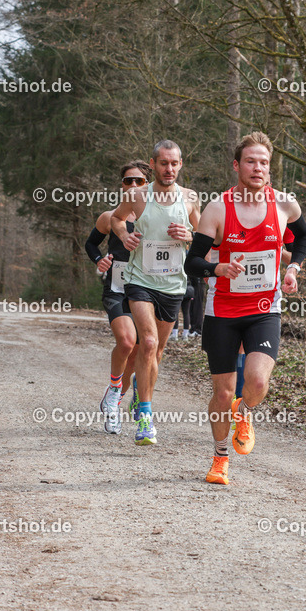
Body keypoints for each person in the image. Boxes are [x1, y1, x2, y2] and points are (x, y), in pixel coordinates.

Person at [185, 131, 306, 485]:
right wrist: (217, 268)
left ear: (270, 169)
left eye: (265, 163)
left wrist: (293, 268)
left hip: (264, 307)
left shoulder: (285, 205)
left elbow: (303, 237)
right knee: (222, 392)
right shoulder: (218, 208)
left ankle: (246, 411)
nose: (258, 168)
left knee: (255, 381)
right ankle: (220, 458)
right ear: (237, 165)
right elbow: (192, 263)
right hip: (222, 310)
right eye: (251, 161)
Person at [112, 140, 200, 445]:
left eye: (175, 163)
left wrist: (188, 235)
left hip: (173, 284)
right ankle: (146, 418)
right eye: (164, 163)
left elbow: (203, 240)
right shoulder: (137, 196)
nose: (170, 169)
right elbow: (115, 218)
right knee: (147, 342)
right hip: (140, 280)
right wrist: (124, 235)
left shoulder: (189, 198)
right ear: (153, 164)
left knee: (157, 353)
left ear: (180, 165)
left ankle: (139, 393)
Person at [86, 160, 148, 434]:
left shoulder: (155, 216)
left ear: (148, 184)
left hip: (147, 290)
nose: (133, 185)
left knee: (139, 350)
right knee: (126, 341)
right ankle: (114, 391)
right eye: (128, 181)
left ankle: (118, 397)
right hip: (117, 289)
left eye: (139, 181)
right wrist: (99, 260)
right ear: (121, 185)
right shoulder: (109, 216)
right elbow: (90, 243)